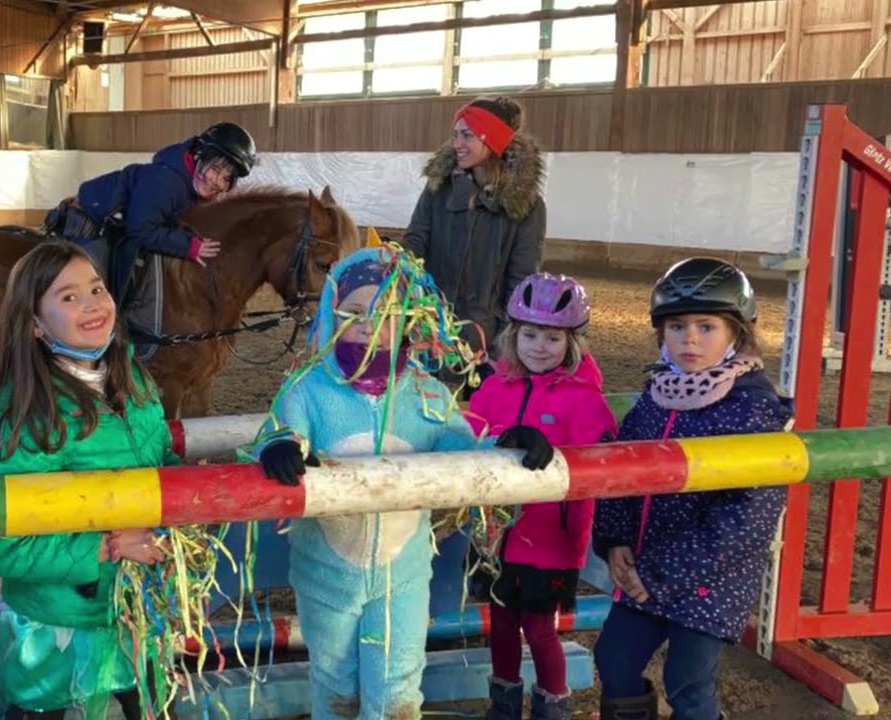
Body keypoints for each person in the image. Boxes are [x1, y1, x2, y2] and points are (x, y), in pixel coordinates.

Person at [253, 244, 555, 720]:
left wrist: (504, 444)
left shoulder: (425, 394)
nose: (370, 325)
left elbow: (460, 446)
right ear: (333, 314)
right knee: (335, 686)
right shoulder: (307, 389)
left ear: (410, 320)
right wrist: (278, 445)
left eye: (387, 313)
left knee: (397, 690)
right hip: (326, 579)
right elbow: (280, 431)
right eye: (354, 312)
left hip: (403, 578)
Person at [0, 241, 179, 720]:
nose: (92, 303)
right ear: (34, 323)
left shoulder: (134, 380)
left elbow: (161, 464)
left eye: (96, 288)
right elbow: (10, 548)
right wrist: (109, 548)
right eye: (68, 297)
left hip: (137, 613)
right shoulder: (27, 414)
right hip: (59, 630)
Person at [592, 258, 793, 720]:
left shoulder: (752, 409)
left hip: (709, 580)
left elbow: (748, 516)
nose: (690, 339)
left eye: (707, 326)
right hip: (644, 564)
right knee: (614, 660)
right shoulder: (657, 393)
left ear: (737, 334)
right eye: (677, 326)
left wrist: (661, 572)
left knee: (688, 683)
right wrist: (615, 538)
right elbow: (626, 466)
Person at [466, 273, 618, 720]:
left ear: (572, 344)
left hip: (552, 538)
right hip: (496, 536)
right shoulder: (494, 387)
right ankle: (504, 704)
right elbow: (471, 438)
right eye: (530, 334)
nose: (539, 346)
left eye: (553, 337)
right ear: (513, 335)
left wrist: (556, 451)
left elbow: (599, 459)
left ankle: (553, 705)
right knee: (501, 624)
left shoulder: (584, 400)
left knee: (539, 627)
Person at [401, 97, 547, 396]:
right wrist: (398, 261)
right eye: (455, 134)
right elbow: (416, 239)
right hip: (429, 332)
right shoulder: (437, 191)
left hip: (486, 341)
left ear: (492, 140)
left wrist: (506, 342)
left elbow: (521, 279)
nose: (457, 143)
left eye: (467, 135)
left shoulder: (526, 207)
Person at [44, 121, 257, 305]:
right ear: (200, 156)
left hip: (124, 221)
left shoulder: (193, 185)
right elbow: (141, 230)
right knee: (94, 282)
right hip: (94, 217)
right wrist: (188, 246)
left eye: (226, 178)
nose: (216, 181)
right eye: (215, 169)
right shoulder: (166, 181)